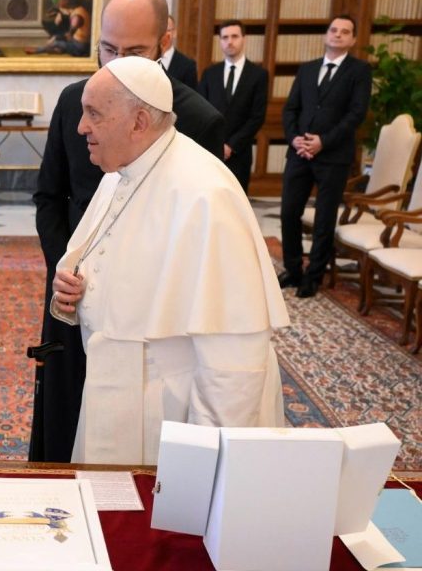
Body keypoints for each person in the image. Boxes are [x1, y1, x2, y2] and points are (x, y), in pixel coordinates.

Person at [51, 56, 289, 464]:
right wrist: (71, 291)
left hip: (168, 411)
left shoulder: (205, 195)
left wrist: (209, 464)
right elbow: (103, 265)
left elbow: (233, 358)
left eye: (93, 114)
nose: (80, 127)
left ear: (139, 122)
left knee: (160, 522)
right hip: (114, 389)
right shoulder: (119, 174)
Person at [31, 0, 224, 463]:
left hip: (145, 316)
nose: (116, 66)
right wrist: (66, 265)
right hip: (69, 291)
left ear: (165, 41)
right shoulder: (74, 101)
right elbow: (48, 198)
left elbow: (200, 245)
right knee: (63, 416)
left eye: (133, 53)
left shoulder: (197, 119)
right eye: (107, 50)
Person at [279, 15, 372, 298]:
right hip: (299, 153)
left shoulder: (359, 71)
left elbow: (355, 114)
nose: (338, 35)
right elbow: (290, 108)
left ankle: (313, 275)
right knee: (289, 212)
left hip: (332, 156)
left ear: (353, 39)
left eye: (345, 32)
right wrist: (295, 137)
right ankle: (293, 269)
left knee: (324, 219)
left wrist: (323, 142)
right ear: (326, 35)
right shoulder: (307, 69)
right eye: (334, 30)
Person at [197, 20, 268, 193]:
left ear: (244, 39)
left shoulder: (258, 75)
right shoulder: (210, 73)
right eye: (225, 37)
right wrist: (216, 143)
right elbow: (201, 110)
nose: (230, 41)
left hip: (240, 152)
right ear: (220, 41)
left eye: (234, 36)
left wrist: (231, 146)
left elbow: (257, 116)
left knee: (236, 203)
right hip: (211, 151)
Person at [162, 14, 198, 90]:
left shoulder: (187, 65)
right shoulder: (147, 60)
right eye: (160, 30)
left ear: (174, 33)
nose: (163, 34)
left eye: (167, 30)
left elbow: (190, 97)